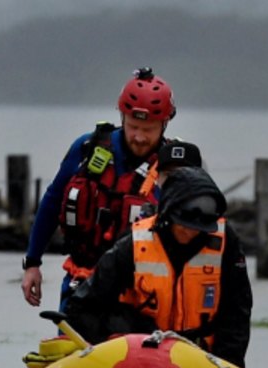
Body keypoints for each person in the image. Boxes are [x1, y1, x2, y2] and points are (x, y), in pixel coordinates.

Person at [21, 67, 203, 310]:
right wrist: (32, 263)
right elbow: (52, 202)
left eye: (148, 130)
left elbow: (198, 232)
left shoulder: (176, 167)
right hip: (81, 283)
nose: (139, 137)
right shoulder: (86, 149)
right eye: (133, 127)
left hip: (141, 294)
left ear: (165, 124)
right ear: (122, 118)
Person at [62, 166, 252, 368]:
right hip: (141, 354)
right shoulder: (134, 243)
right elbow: (83, 306)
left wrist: (229, 365)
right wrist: (115, 344)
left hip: (203, 359)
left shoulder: (225, 242)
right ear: (168, 215)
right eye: (183, 225)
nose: (190, 232)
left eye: (197, 228)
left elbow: (237, 311)